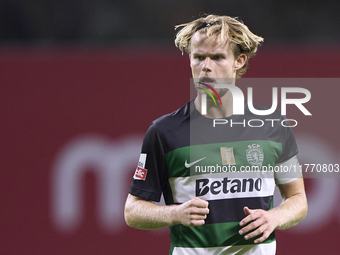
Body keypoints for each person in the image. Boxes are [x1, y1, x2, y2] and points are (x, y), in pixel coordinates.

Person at [124, 14, 307, 255]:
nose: (206, 66)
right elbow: (132, 210)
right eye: (198, 57)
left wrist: (275, 217)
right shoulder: (163, 131)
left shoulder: (274, 125)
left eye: (217, 57)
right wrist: (174, 213)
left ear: (239, 61)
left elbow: (298, 200)